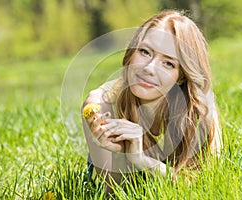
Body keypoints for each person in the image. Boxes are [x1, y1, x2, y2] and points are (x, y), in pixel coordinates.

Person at [82, 10, 221, 190]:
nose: (149, 68)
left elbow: (203, 184)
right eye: (145, 52)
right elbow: (112, 192)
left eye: (168, 63)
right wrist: (117, 154)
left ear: (181, 76)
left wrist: (140, 159)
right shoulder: (101, 104)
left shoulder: (199, 105)